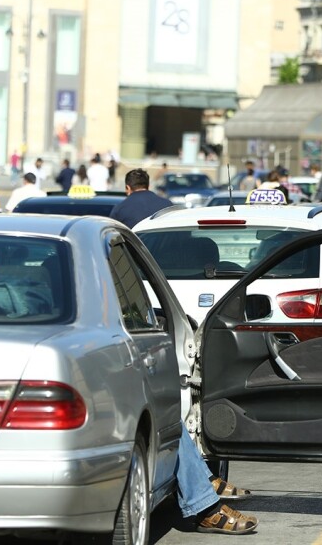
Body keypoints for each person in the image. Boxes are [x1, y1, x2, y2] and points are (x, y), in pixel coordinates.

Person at [110, 169, 258, 534]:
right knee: (167, 420)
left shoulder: (120, 214)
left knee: (170, 420)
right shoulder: (165, 210)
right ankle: (204, 497)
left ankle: (204, 488)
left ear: (128, 187)